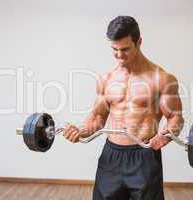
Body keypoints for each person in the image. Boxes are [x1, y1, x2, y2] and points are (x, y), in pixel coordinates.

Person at [63, 16, 184, 200]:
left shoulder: (162, 79)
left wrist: (166, 135)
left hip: (144, 156)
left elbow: (176, 118)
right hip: (111, 156)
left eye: (125, 49)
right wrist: (80, 131)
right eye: (114, 49)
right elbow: (97, 118)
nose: (119, 55)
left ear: (139, 42)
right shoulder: (107, 79)